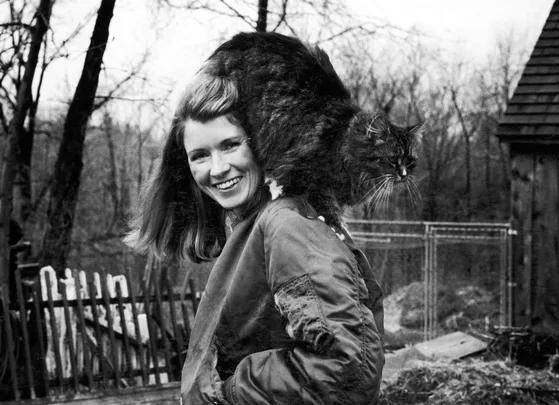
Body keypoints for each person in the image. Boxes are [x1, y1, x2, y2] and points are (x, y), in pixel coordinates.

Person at [126, 54, 385, 405]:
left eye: (230, 145)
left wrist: (227, 393)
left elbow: (346, 369)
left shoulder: (287, 225)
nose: (217, 169)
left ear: (262, 141)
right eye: (199, 155)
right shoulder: (255, 224)